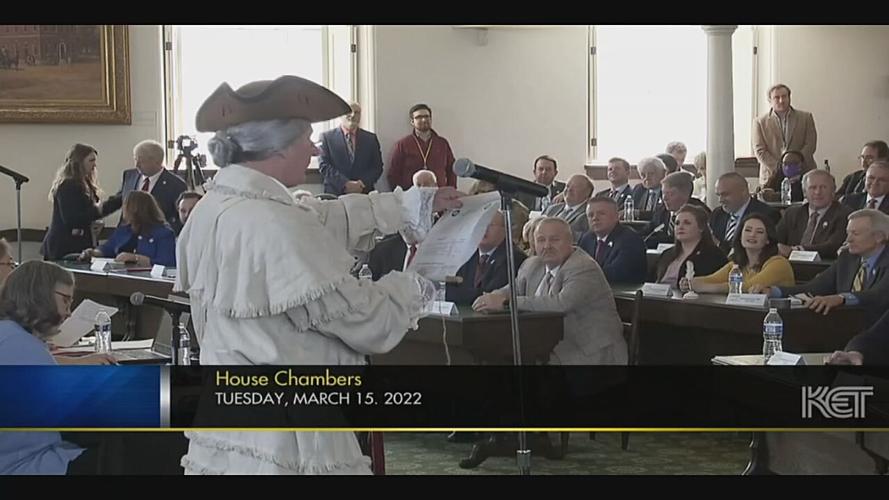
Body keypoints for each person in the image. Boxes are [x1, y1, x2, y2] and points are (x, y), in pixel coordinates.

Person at [175, 75, 462, 475]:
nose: (313, 147)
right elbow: (363, 319)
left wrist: (414, 202)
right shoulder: (272, 221)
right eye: (306, 138)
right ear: (275, 147)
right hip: (286, 425)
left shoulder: (217, 205)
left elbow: (322, 217)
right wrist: (419, 280)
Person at [0, 261, 115, 474]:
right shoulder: (19, 344)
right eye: (65, 301)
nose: (69, 312)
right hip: (23, 464)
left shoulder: (10, 335)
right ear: (40, 295)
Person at [472, 217, 627, 365]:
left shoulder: (583, 267)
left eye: (554, 239)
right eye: (541, 240)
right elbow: (512, 288)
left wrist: (507, 302)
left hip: (588, 353)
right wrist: (494, 296)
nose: (547, 246)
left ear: (571, 241)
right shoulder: (532, 264)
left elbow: (561, 304)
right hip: (546, 348)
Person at [755, 209, 889, 325]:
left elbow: (879, 295)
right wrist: (773, 291)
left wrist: (841, 298)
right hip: (844, 327)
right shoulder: (847, 257)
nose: (848, 239)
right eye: (848, 233)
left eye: (855, 233)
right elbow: (814, 287)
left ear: (878, 237)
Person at [682, 213, 794, 294]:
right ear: (740, 235)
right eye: (748, 230)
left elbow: (746, 287)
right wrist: (691, 283)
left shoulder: (779, 264)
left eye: (759, 232)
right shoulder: (736, 265)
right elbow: (711, 279)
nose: (752, 235)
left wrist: (704, 288)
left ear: (768, 239)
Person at [41, 144, 118, 260]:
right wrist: (101, 209)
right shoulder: (68, 185)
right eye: (91, 160)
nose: (94, 165)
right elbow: (72, 219)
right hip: (64, 246)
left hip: (77, 243)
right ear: (79, 162)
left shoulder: (84, 183)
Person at [103, 140, 188, 233]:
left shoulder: (176, 185)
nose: (137, 165)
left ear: (157, 161)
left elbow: (180, 218)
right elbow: (119, 199)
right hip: (126, 236)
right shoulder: (129, 175)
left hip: (156, 239)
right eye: (135, 159)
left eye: (142, 161)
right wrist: (96, 211)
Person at [446, 210, 526, 305]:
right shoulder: (466, 254)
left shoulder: (513, 257)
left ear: (505, 230)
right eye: (480, 224)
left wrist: (457, 293)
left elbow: (489, 295)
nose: (484, 229)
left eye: (490, 225)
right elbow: (447, 287)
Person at [79, 191, 176, 267]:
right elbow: (108, 248)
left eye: (126, 206)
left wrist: (135, 258)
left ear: (136, 209)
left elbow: (167, 262)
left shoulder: (163, 233)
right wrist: (93, 253)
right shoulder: (124, 229)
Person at [776, 170, 852, 259]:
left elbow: (833, 246)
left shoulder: (844, 214)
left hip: (822, 267)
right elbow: (775, 238)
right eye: (813, 187)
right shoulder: (792, 213)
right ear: (804, 192)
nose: (818, 192)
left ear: (833, 191)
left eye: (823, 187)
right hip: (789, 266)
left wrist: (796, 250)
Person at [753, 83, 817, 187]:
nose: (781, 100)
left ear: (789, 97)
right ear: (770, 100)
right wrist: (781, 168)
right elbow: (760, 150)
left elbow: (810, 144)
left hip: (803, 173)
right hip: (771, 176)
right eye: (776, 98)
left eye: (784, 96)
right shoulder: (760, 122)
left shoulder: (806, 118)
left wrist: (795, 165)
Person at [318, 102, 384, 196]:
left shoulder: (371, 139)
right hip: (335, 194)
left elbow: (377, 167)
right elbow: (324, 165)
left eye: (356, 112)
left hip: (363, 193)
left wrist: (361, 184)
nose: (353, 115)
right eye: (348, 111)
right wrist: (345, 184)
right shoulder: (326, 138)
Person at [387, 104, 457, 190]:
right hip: (412, 195)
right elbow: (394, 173)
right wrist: (401, 195)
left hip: (439, 194)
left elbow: (452, 169)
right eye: (419, 117)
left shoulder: (442, 143)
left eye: (426, 116)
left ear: (431, 119)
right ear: (412, 122)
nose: (424, 120)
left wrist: (450, 190)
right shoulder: (403, 144)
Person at [578, 197, 647, 284]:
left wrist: (578, 275)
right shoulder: (587, 238)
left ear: (616, 217)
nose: (595, 218)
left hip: (620, 293)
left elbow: (617, 274)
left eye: (601, 213)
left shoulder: (630, 240)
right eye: (590, 215)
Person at [654, 205, 727, 287]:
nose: (680, 227)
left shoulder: (714, 256)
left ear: (701, 227)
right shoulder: (667, 254)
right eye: (677, 223)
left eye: (687, 223)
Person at [709, 172, 779, 253]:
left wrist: (718, 244)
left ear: (744, 191)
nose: (720, 200)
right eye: (718, 195)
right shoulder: (717, 214)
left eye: (725, 194)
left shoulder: (766, 214)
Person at [542, 174, 594, 242]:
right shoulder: (552, 208)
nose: (569, 190)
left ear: (587, 193)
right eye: (567, 186)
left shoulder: (588, 215)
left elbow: (583, 239)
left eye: (575, 187)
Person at [630, 156, 668, 221]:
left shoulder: (668, 190)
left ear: (663, 173)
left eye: (651, 174)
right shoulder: (639, 189)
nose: (647, 178)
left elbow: (662, 215)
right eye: (643, 175)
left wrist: (639, 213)